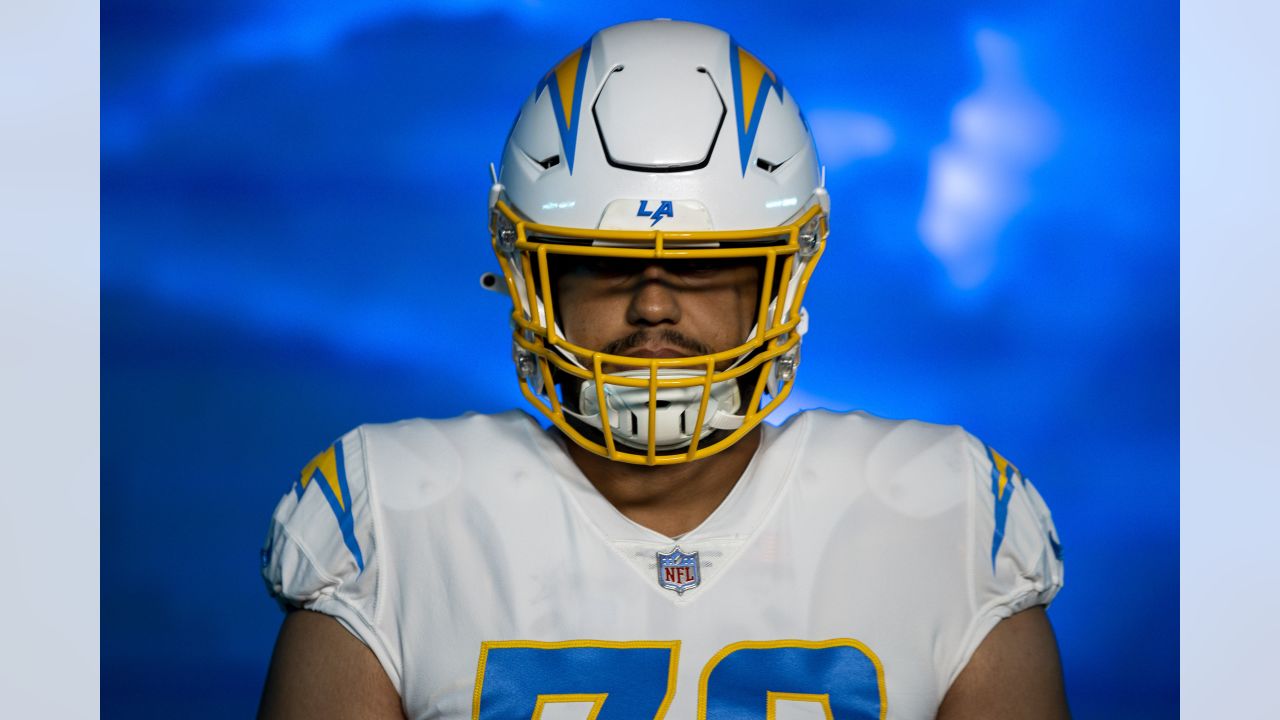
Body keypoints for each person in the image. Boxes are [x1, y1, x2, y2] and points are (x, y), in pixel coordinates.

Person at [258, 19, 1068, 720]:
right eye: (605, 265)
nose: (653, 307)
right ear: (526, 275)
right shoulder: (396, 519)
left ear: (784, 275)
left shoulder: (941, 515)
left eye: (703, 265)